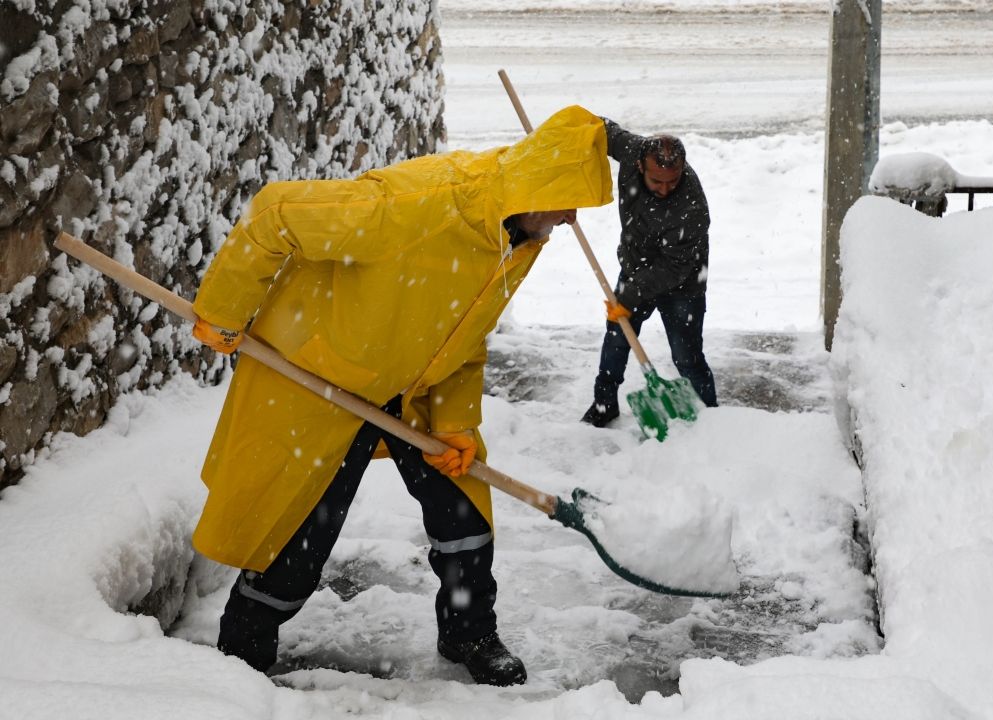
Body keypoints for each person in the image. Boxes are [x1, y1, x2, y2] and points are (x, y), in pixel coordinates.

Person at [188, 105, 612, 685]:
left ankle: (470, 633)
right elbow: (275, 212)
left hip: (411, 388)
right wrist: (223, 307)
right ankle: (242, 647)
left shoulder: (512, 236)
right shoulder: (416, 208)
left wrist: (457, 423)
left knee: (462, 513)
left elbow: (468, 333)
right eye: (568, 203)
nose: (569, 219)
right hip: (323, 380)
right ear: (539, 186)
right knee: (297, 533)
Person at [581, 120, 718, 427]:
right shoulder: (632, 150)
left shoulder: (691, 207)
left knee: (687, 358)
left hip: (683, 284)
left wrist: (629, 294)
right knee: (616, 339)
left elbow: (675, 267)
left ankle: (711, 418)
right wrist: (566, 139)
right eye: (657, 181)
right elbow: (600, 129)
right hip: (635, 265)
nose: (665, 189)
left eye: (673, 180)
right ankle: (604, 405)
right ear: (640, 164)